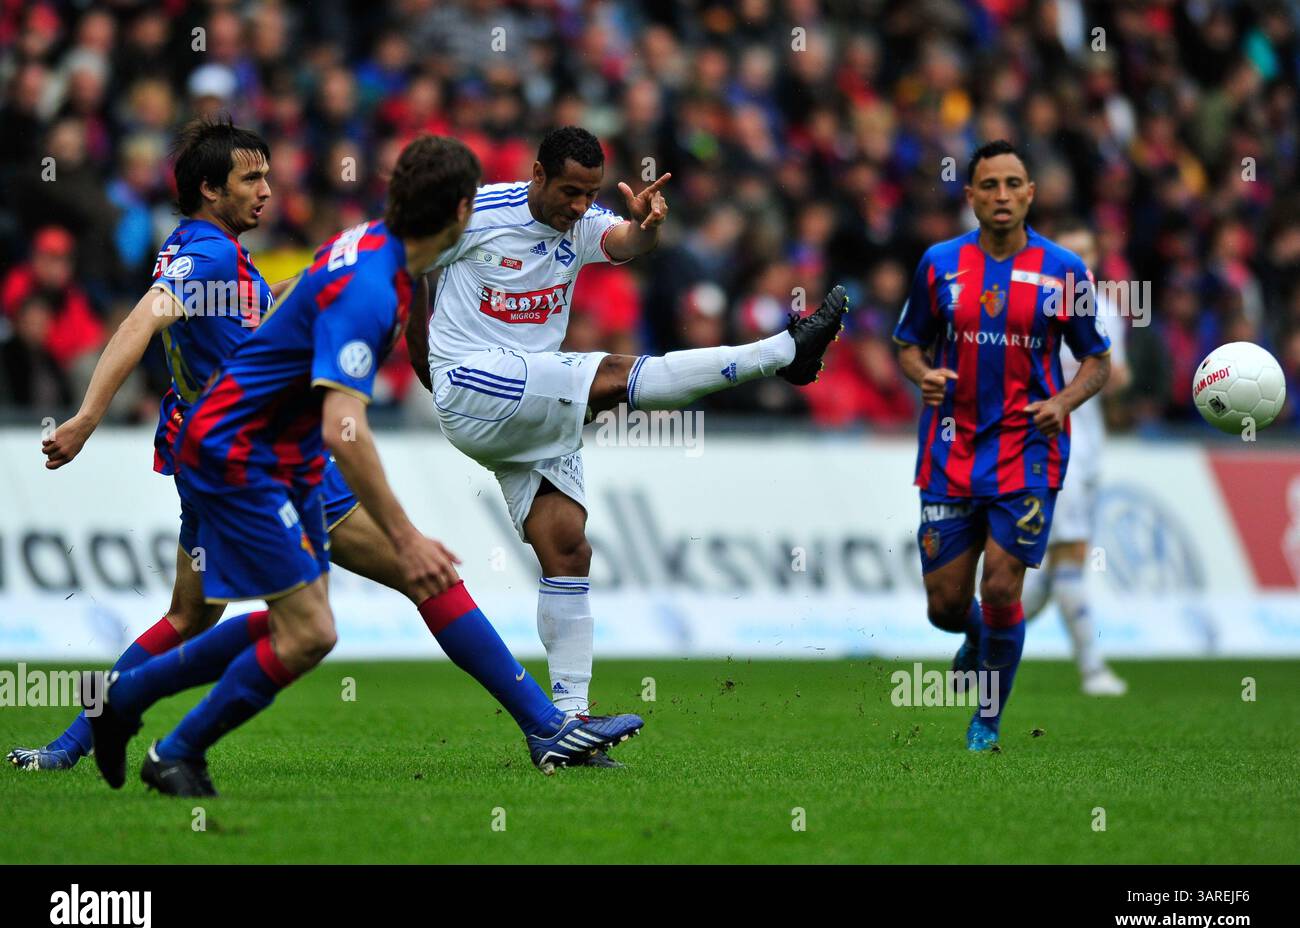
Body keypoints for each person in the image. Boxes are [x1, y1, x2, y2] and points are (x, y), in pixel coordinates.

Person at [10, 120, 637, 778]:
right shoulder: (219, 255)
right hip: (259, 457)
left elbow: (253, 321)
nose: (266, 189)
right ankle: (544, 725)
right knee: (405, 582)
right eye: (251, 177)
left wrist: (289, 298)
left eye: (267, 174)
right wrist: (86, 416)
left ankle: (81, 738)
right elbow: (148, 319)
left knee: (195, 615)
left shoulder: (248, 253)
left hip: (217, 447)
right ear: (207, 188)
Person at [407, 126, 847, 761]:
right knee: (612, 376)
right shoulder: (479, 215)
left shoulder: (581, 223)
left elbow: (627, 241)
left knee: (567, 546)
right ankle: (782, 352)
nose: (578, 206)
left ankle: (568, 726)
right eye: (567, 192)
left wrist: (648, 225)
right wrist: (433, 375)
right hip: (474, 382)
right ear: (534, 175)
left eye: (589, 194)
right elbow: (411, 274)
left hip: (530, 394)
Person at [893, 141, 1112, 751]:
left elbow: (1097, 359)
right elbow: (908, 341)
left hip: (1027, 450)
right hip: (949, 450)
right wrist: (922, 374)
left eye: (1013, 184)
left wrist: (1062, 402)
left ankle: (986, 721)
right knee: (945, 605)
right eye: (988, 185)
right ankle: (978, 637)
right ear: (970, 196)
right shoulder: (938, 263)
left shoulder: (1066, 271)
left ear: (1031, 193)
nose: (1001, 196)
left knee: (1001, 588)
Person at [1019, 221, 1129, 696]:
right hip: (1056, 448)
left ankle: (984, 648)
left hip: (1088, 447)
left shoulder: (1104, 308)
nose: (1081, 261)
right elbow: (1111, 374)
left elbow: (1111, 376)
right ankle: (1092, 669)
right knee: (1068, 559)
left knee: (1050, 566)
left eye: (1088, 251)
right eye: (1072, 252)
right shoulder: (1041, 309)